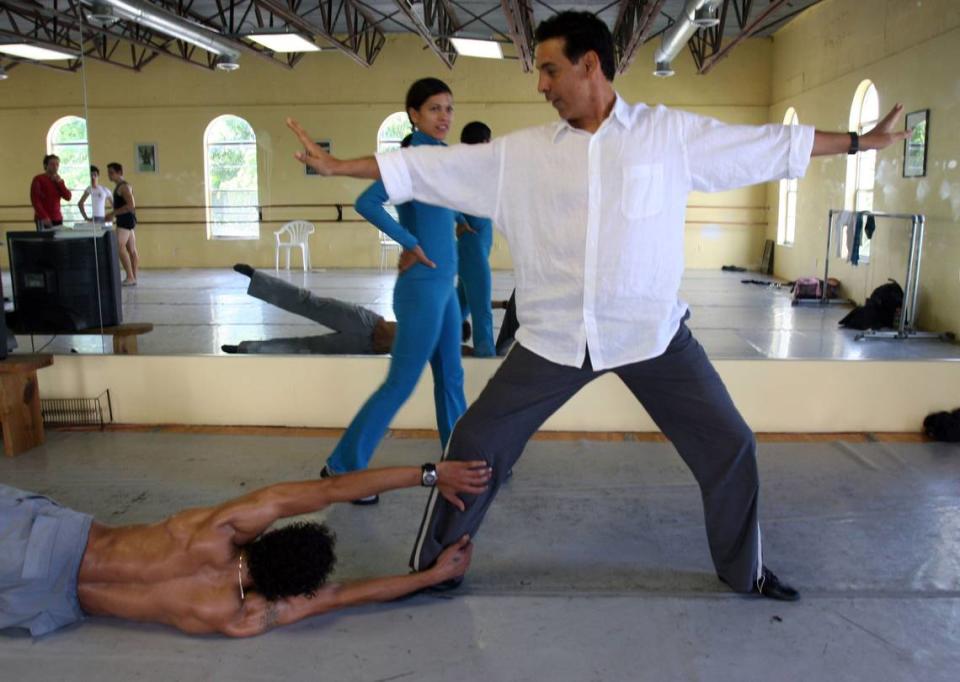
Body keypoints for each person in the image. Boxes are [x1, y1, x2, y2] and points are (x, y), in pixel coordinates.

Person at [285, 11, 911, 601]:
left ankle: (743, 572)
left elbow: (768, 144)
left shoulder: (669, 135)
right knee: (474, 444)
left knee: (730, 445)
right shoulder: (524, 154)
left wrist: (860, 141)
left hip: (651, 335)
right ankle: (434, 568)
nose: (541, 85)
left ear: (590, 65)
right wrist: (339, 166)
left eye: (550, 69)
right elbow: (427, 169)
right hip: (553, 338)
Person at [0, 460, 491, 637]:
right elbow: (340, 596)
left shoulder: (216, 530)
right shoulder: (233, 616)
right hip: (42, 604)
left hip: (45, 543)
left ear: (275, 536)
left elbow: (329, 490)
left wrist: (430, 475)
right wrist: (429, 577)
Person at [315, 78, 468, 506]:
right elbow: (367, 201)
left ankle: (459, 458)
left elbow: (442, 210)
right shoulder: (410, 159)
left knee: (451, 377)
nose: (444, 117)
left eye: (449, 109)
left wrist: (449, 226)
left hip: (445, 286)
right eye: (435, 109)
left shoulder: (442, 159)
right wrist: (409, 241)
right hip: (421, 289)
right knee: (401, 383)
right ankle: (342, 468)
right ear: (415, 115)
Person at [223, 264, 397, 355]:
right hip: (368, 322)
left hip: (367, 347)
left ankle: (244, 349)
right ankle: (256, 278)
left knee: (303, 347)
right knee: (309, 302)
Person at [454, 122, 496, 357]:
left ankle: (439, 345)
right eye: (487, 140)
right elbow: (443, 198)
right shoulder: (462, 171)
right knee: (482, 309)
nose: (489, 145)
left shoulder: (483, 170)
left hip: (480, 242)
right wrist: (459, 220)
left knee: (462, 304)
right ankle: (486, 356)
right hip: (471, 245)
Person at [105, 162, 139, 286]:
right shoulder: (120, 186)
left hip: (125, 220)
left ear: (120, 173)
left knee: (119, 247)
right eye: (108, 172)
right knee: (131, 249)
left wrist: (112, 213)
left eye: (112, 173)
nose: (109, 175)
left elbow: (130, 205)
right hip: (127, 219)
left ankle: (130, 276)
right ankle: (133, 277)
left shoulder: (123, 187)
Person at [30, 154, 72, 231]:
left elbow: (68, 197)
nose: (55, 166)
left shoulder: (59, 181)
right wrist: (44, 217)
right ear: (46, 165)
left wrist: (59, 182)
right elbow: (35, 201)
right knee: (45, 241)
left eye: (57, 164)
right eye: (52, 164)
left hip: (57, 217)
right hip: (43, 218)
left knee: (58, 241)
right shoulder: (38, 179)